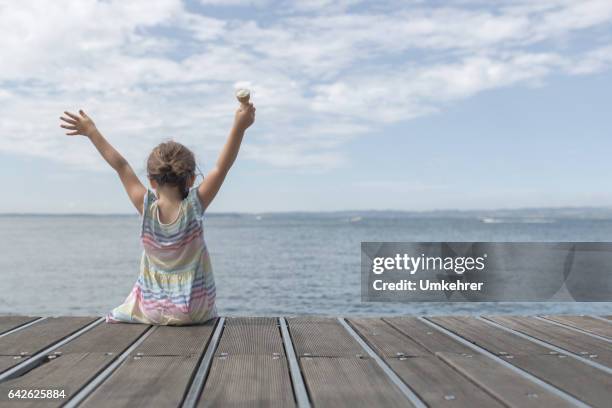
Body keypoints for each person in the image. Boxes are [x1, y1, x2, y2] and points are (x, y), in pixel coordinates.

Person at [59, 100, 256, 325]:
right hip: (195, 311)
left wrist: (92, 132)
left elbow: (121, 166)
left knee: (133, 300)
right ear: (191, 179)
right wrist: (239, 126)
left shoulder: (146, 208)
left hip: (154, 311)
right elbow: (222, 167)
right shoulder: (195, 205)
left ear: (152, 181)